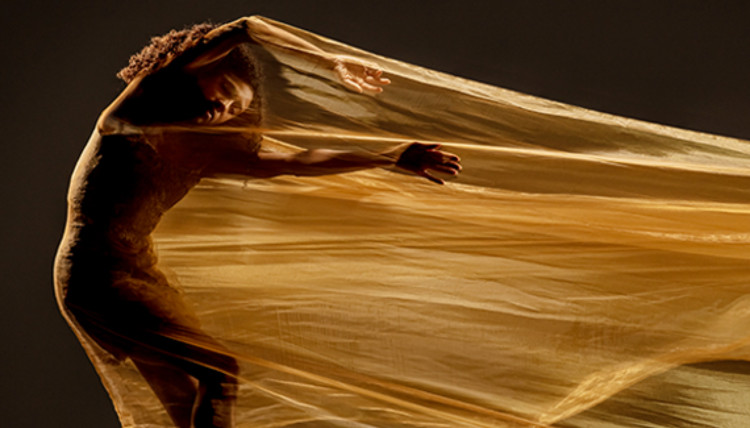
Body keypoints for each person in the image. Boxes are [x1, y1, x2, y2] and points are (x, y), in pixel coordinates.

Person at [54, 16, 461, 428]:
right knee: (220, 370)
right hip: (94, 274)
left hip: (137, 273)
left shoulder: (198, 152)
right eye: (226, 92)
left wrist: (388, 156)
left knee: (184, 404)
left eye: (235, 111)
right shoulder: (139, 106)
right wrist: (326, 61)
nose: (223, 110)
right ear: (200, 70)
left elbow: (297, 162)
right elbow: (244, 28)